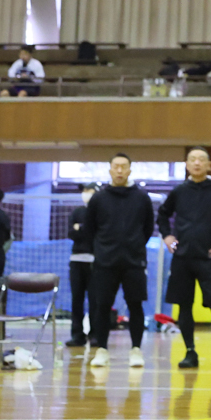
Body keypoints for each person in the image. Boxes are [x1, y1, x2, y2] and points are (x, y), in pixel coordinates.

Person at [158, 147, 211, 370]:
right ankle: (189, 351)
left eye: (201, 160)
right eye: (192, 159)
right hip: (182, 259)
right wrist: (167, 236)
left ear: (209, 165)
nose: (197, 163)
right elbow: (162, 214)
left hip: (207, 258)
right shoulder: (179, 191)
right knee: (184, 306)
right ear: (187, 164)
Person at [80, 157, 156, 369]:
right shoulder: (98, 198)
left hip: (134, 262)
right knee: (102, 305)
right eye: (116, 167)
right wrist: (102, 250)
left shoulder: (142, 198)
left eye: (124, 167)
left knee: (135, 305)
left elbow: (148, 228)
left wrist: (134, 246)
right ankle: (102, 350)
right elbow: (89, 229)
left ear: (130, 170)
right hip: (105, 262)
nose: (120, 170)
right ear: (110, 170)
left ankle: (136, 350)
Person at [66, 185, 97, 347]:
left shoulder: (99, 213)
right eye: (85, 192)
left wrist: (81, 228)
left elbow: (95, 234)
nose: (86, 195)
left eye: (90, 192)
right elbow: (71, 233)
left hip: (94, 262)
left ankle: (95, 334)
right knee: (76, 299)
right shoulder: (77, 212)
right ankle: (77, 335)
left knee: (95, 300)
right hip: (76, 261)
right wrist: (81, 230)